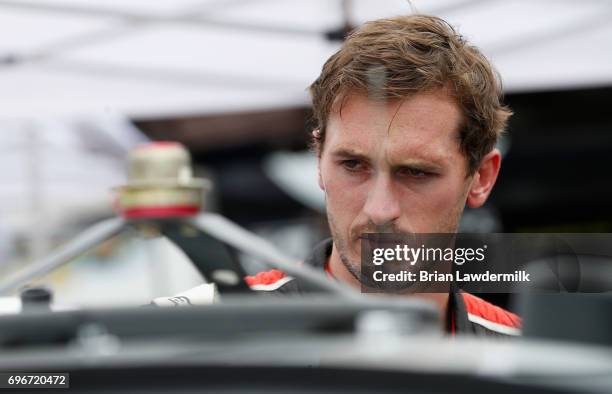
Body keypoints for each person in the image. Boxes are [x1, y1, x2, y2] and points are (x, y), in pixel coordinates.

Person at [165, 14, 521, 337]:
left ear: (481, 178)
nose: (380, 210)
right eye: (353, 165)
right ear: (319, 159)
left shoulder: (530, 361)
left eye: (415, 172)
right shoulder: (193, 331)